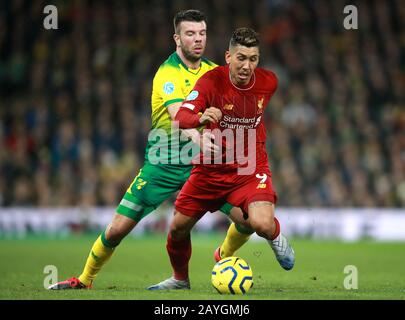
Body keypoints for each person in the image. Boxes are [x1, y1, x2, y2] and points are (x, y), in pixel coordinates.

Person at [48, 10, 252, 290]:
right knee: (119, 227)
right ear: (177, 38)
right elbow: (177, 114)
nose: (197, 39)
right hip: (164, 162)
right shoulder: (166, 73)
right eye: (190, 34)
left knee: (248, 218)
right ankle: (85, 279)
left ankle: (223, 256)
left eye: (202, 33)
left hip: (203, 164)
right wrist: (198, 138)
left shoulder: (215, 72)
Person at [147, 27, 295, 290]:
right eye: (241, 57)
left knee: (260, 223)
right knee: (178, 228)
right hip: (209, 169)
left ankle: (275, 235)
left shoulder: (268, 82)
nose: (247, 65)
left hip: (249, 166)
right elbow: (181, 118)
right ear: (228, 57)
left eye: (253, 59)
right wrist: (201, 117)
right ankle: (180, 280)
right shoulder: (210, 81)